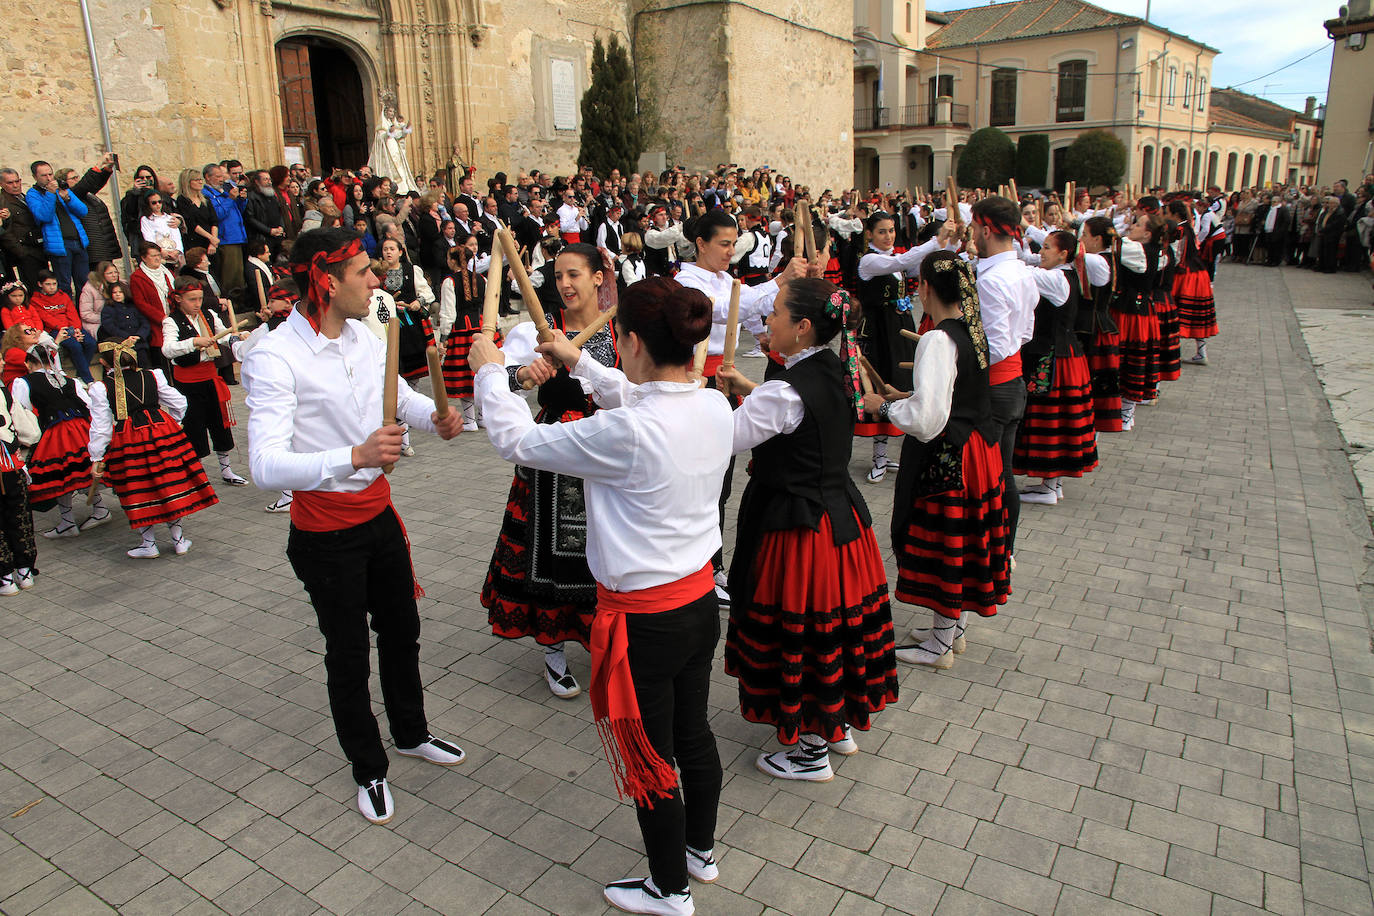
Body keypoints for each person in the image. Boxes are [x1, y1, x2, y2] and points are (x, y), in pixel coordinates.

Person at [471, 277, 730, 916]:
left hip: (647, 622)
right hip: (697, 606)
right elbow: (635, 392)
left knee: (651, 753)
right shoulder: (712, 405)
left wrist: (487, 372)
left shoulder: (631, 433)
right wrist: (575, 358)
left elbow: (518, 442)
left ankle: (668, 888)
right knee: (692, 733)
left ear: (633, 341)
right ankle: (698, 850)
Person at [242, 227, 466, 825]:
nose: (377, 279)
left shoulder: (367, 337)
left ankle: (411, 731)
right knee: (347, 653)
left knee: (403, 631)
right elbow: (263, 465)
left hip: (378, 516)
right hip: (323, 534)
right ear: (326, 280)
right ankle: (367, 767)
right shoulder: (274, 356)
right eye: (364, 271)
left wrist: (439, 416)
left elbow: (393, 401)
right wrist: (353, 457)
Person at [715, 278, 897, 783]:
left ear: (802, 326)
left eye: (774, 313)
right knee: (835, 627)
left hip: (799, 529)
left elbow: (726, 439)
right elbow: (798, 412)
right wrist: (750, 391)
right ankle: (834, 725)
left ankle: (809, 751)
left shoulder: (784, 391)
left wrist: (703, 399)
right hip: (840, 520)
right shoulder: (833, 366)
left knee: (806, 628)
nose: (766, 322)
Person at [481, 243, 619, 698]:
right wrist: (524, 376)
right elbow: (498, 376)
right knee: (550, 552)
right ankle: (554, 650)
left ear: (599, 278)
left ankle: (604, 642)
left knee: (603, 550)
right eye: (558, 275)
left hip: (604, 454)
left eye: (574, 274)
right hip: (552, 453)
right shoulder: (535, 332)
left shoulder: (619, 331)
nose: (564, 284)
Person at [871, 251, 1010, 669]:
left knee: (947, 541)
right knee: (965, 538)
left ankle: (940, 644)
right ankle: (952, 629)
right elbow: (949, 396)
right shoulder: (973, 330)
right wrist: (909, 397)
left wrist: (884, 408)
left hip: (950, 456)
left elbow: (928, 421)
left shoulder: (938, 338)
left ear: (927, 287)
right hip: (979, 450)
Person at [675, 210, 808, 602]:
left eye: (735, 244)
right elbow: (723, 307)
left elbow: (747, 312)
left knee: (723, 478)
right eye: (724, 244)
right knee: (700, 478)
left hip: (724, 383)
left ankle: (711, 565)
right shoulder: (688, 282)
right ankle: (698, 563)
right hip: (699, 382)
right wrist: (780, 280)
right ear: (700, 244)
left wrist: (770, 331)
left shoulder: (722, 279)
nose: (731, 252)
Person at [88, 340, 218, 558]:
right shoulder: (153, 375)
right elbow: (179, 402)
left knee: (138, 487)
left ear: (103, 362)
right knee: (168, 483)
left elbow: (101, 426)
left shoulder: (101, 388)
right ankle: (178, 541)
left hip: (128, 437)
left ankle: (149, 544)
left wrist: (97, 456)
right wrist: (174, 423)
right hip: (161, 431)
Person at [855, 211, 954, 483]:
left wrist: (947, 244)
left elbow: (917, 263)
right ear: (870, 235)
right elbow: (904, 259)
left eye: (891, 230)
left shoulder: (893, 261)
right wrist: (936, 239)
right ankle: (878, 456)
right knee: (879, 383)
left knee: (898, 382)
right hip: (878, 333)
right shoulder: (870, 260)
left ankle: (889, 452)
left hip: (897, 329)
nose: (888, 236)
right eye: (882, 232)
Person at [967, 196, 1037, 565]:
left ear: (987, 229)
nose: (972, 235)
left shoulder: (993, 279)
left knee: (988, 474)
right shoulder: (1022, 271)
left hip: (993, 387)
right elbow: (1024, 332)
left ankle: (995, 550)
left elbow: (990, 347)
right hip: (1012, 382)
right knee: (1002, 471)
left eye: (975, 228)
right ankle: (1004, 548)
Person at [1012, 230, 1098, 506]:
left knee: (1051, 417)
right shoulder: (1065, 275)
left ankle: (1049, 485)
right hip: (1064, 354)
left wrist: (999, 255)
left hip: (1054, 358)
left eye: (1047, 248)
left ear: (1063, 254)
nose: (1042, 253)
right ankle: (1053, 483)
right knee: (1059, 417)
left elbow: (1023, 271)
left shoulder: (1057, 278)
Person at [11, 343, 109, 537]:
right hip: (82, 429)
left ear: (29, 363)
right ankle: (99, 510)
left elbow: (22, 410)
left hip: (57, 432)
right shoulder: (69, 380)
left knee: (60, 475)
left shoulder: (23, 382)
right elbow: (89, 404)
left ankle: (68, 522)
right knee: (84, 468)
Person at [160, 277, 249, 486]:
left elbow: (223, 336)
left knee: (220, 424)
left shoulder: (208, 315)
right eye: (192, 299)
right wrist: (193, 342)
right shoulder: (171, 321)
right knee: (194, 426)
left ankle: (226, 469)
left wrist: (238, 337)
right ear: (179, 299)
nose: (197, 303)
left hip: (210, 377)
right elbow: (167, 349)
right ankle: (196, 473)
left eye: (199, 298)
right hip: (188, 383)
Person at [437, 233, 494, 431]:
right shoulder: (482, 279)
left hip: (461, 329)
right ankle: (482, 417)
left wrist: (443, 338)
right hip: (479, 327)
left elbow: (448, 312)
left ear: (453, 261)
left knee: (464, 373)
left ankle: (470, 419)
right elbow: (490, 305)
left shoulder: (449, 282)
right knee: (480, 371)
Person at [1113, 213, 1163, 430]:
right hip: (1133, 310)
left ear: (1147, 233)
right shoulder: (1152, 251)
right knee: (1126, 358)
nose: (1132, 226)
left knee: (1130, 357)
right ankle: (1124, 410)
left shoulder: (1139, 251)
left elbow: (1113, 244)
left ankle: (1127, 411)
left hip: (1132, 313)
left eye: (1138, 224)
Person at [1077, 217, 1123, 433]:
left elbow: (1070, 250)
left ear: (1096, 239)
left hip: (1095, 329)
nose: (1081, 239)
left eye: (1084, 235)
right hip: (1097, 326)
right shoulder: (1103, 257)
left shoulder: (1096, 260)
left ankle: (1091, 429)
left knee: (1093, 381)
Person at [26, 161, 89, 300]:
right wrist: (50, 194)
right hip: (59, 246)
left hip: (78, 241)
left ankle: (83, 317)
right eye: (44, 175)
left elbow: (83, 211)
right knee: (64, 285)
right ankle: (67, 317)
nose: (49, 178)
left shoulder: (61, 188)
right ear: (35, 177)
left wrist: (67, 198)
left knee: (84, 284)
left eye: (50, 174)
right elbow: (44, 216)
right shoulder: (32, 194)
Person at [0, 378, 38, 594]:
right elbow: (31, 433)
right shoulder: (5, 393)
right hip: (11, 467)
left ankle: (6, 579)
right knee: (19, 516)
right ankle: (24, 573)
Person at [1169, 201, 1218, 366]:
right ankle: (1201, 352)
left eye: (1167, 212)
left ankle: (1173, 353)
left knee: (1178, 312)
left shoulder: (1179, 230)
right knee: (1196, 313)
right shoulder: (1188, 227)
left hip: (1186, 276)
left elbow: (1176, 255)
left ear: (1175, 215)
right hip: (1199, 274)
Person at [30, 270, 96, 383]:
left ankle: (80, 375)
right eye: (48, 284)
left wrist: (76, 329)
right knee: (76, 346)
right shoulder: (35, 300)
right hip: (56, 330)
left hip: (73, 328)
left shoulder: (63, 296)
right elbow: (47, 319)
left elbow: (72, 313)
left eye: (54, 284)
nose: (52, 287)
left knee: (91, 343)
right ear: (40, 284)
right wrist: (71, 332)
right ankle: (88, 380)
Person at [130, 242, 176, 355]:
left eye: (158, 255)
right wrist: (161, 317)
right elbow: (140, 303)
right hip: (156, 322)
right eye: (153, 256)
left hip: (173, 317)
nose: (157, 258)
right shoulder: (137, 277)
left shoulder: (167, 273)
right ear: (144, 258)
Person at [99, 281, 151, 368]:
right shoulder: (108, 309)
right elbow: (110, 327)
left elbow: (144, 323)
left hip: (139, 343)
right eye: (114, 292)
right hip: (121, 346)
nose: (118, 294)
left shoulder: (133, 306)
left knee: (144, 366)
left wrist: (139, 336)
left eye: (120, 292)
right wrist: (127, 337)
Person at [139, 191, 185, 267]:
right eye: (154, 203)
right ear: (148, 204)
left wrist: (177, 250)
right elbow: (149, 237)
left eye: (159, 202)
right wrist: (160, 251)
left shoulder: (170, 218)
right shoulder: (146, 219)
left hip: (173, 253)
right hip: (158, 253)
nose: (158, 205)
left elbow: (176, 236)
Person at [79, 262, 120, 338]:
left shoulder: (122, 285)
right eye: (110, 273)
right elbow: (85, 314)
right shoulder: (89, 288)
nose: (114, 275)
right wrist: (107, 319)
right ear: (102, 275)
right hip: (97, 324)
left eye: (116, 272)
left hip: (118, 320)